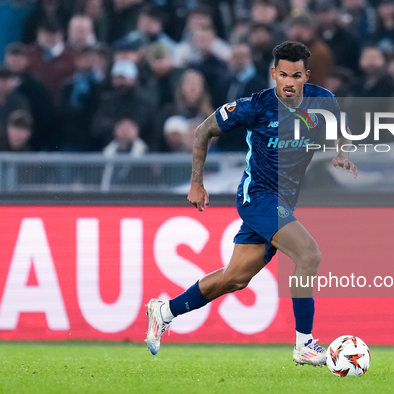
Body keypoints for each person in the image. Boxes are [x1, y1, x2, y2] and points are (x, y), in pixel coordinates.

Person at [144, 41, 358, 366]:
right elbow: (203, 131)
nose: (289, 82)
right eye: (283, 74)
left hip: (283, 202)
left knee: (235, 278)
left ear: (306, 76)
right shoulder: (255, 105)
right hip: (257, 197)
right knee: (309, 254)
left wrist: (342, 152)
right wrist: (196, 183)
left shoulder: (323, 100)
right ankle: (304, 344)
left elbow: (340, 128)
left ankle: (165, 310)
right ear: (274, 73)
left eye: (296, 75)